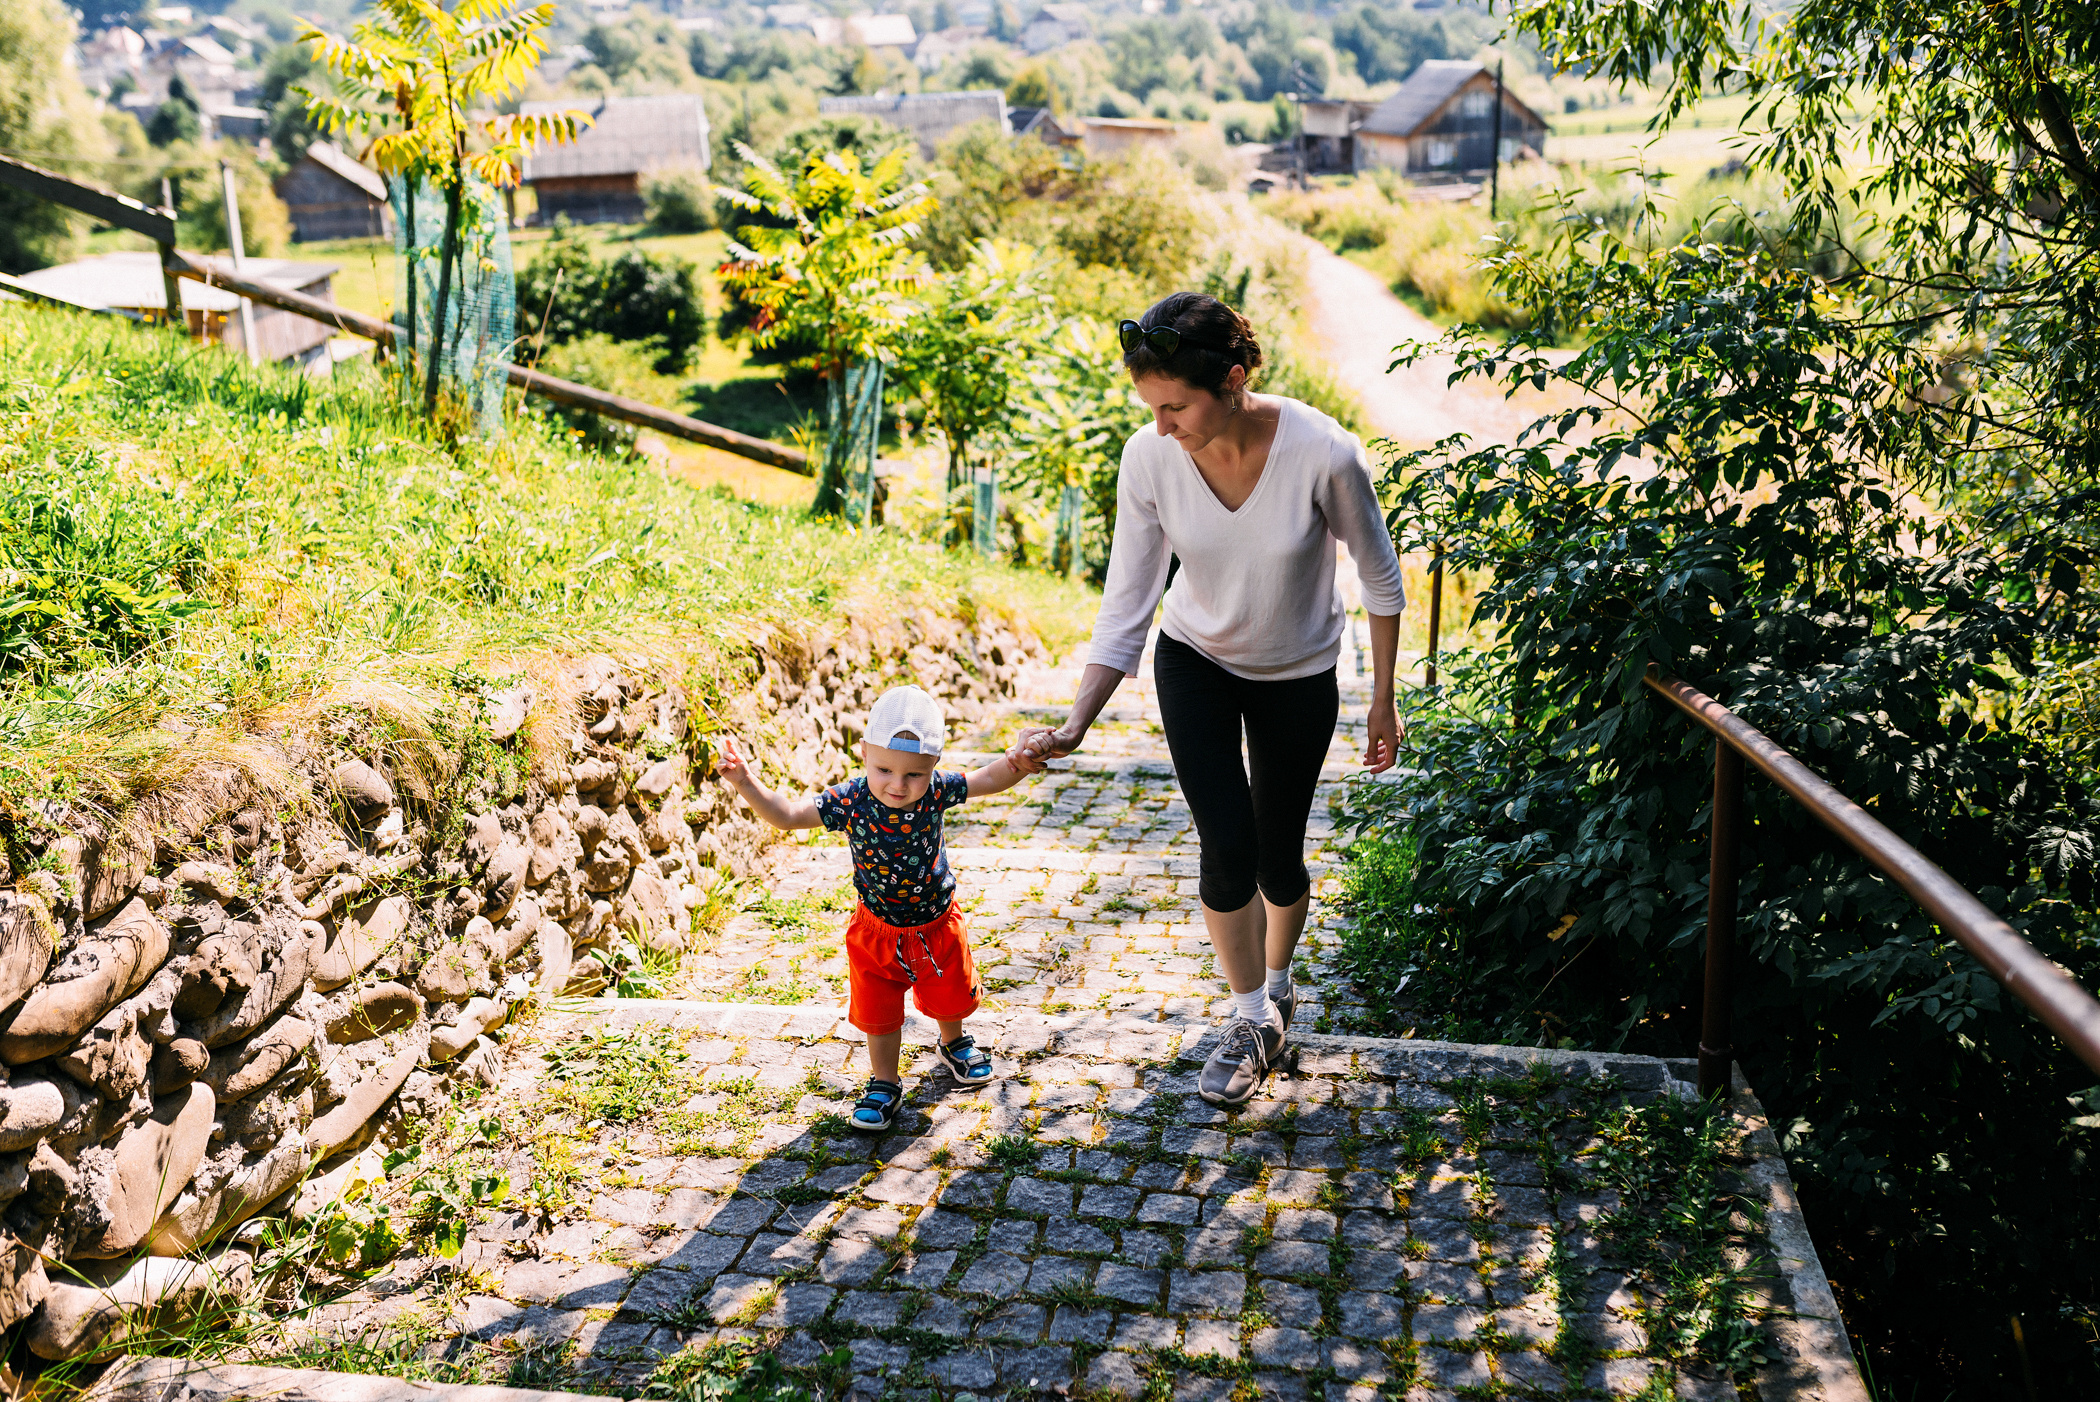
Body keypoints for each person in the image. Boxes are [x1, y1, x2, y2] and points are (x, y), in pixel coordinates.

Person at [1015, 292, 1406, 1108]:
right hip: (1194, 659)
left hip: (1298, 671)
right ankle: (1249, 1017)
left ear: (1232, 381)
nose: (1161, 426)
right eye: (1150, 408)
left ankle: (1279, 980)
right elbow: (1129, 597)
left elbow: (1379, 576)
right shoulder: (1149, 458)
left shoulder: (1324, 453)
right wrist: (1080, 718)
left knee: (1278, 853)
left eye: (1175, 407)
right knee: (1225, 845)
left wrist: (1383, 700)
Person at [715, 684, 1039, 1131]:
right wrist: (744, 781)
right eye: (884, 768)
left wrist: (1017, 764)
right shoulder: (849, 800)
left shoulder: (938, 790)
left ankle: (954, 1042)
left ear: (934, 766)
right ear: (863, 751)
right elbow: (788, 815)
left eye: (915, 774)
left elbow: (987, 779)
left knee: (949, 993)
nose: (898, 785)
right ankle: (884, 1082)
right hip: (877, 931)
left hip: (936, 924)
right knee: (879, 1011)